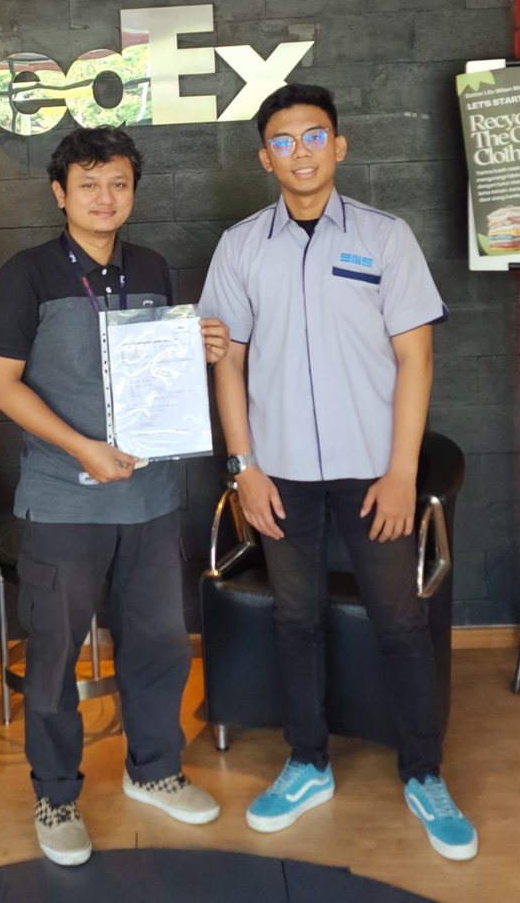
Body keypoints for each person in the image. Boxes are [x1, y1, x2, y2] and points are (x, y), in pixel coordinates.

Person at [200, 84, 478, 861]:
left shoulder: (386, 238)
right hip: (279, 475)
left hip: (372, 473)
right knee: (296, 618)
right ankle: (307, 762)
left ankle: (424, 773)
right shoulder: (240, 246)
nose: (301, 151)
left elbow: (416, 359)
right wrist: (244, 469)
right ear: (265, 157)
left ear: (339, 145)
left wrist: (401, 473)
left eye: (314, 135)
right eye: (283, 140)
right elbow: (228, 364)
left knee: (399, 620)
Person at [0, 126, 228, 867]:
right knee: (55, 655)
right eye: (88, 184)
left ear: (132, 192)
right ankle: (56, 795)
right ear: (60, 194)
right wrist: (81, 446)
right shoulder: (26, 274)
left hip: (150, 499)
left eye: (118, 183)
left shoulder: (150, 266)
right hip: (65, 501)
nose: (104, 197)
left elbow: (157, 374)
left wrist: (197, 350)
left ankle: (153, 769)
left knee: (158, 643)